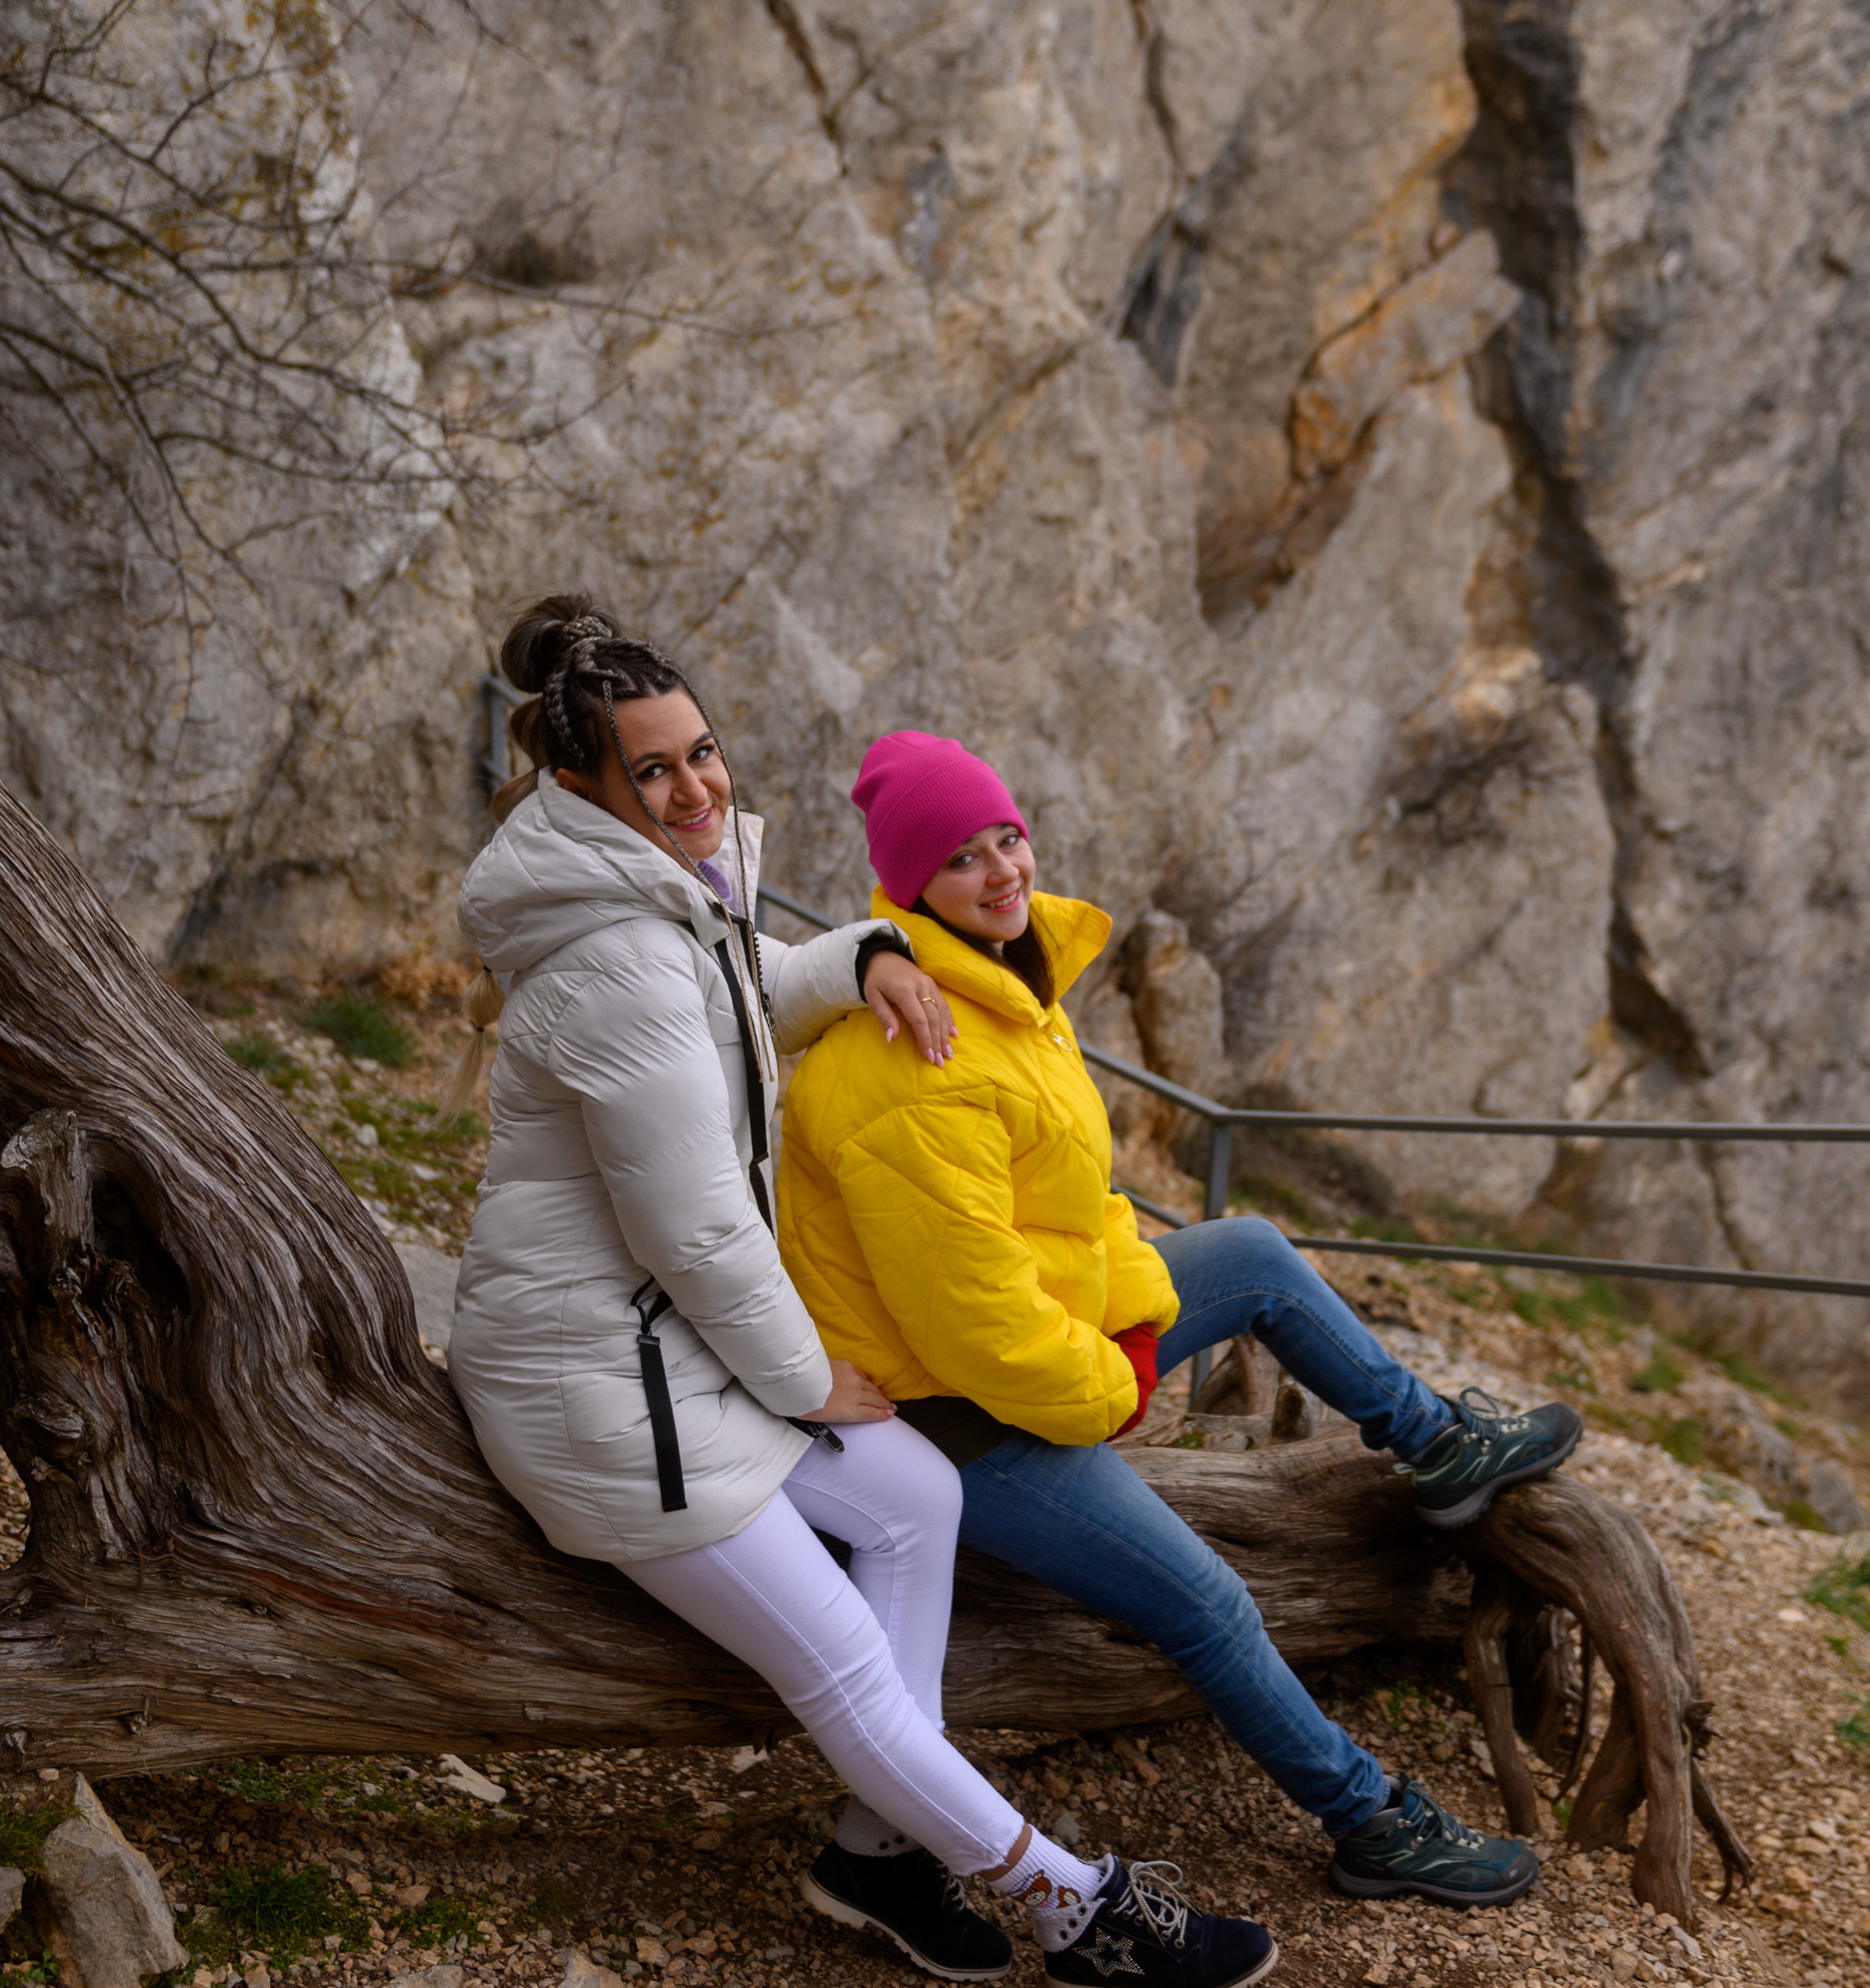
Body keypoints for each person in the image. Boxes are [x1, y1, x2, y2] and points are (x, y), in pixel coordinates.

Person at [443, 606, 1278, 1988]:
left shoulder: (658, 901)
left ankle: (873, 1852)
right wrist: (800, 1379)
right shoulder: (612, 960)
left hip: (672, 1356)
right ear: (583, 786)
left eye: (702, 751)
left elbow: (748, 990)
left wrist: (866, 956)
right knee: (838, 1666)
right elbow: (698, 1230)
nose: (697, 787)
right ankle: (1074, 1907)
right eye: (653, 771)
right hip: (606, 1398)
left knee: (918, 1498)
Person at [777, 730, 1587, 1910]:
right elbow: (978, 1332)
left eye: (1006, 834)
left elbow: (1074, 1207)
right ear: (912, 890)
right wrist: (1116, 1386)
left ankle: (1437, 1448)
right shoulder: (917, 1061)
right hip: (947, 1414)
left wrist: (1139, 1306)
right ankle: (1368, 1821)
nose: (1002, 868)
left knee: (1247, 1252)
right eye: (961, 858)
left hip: (1021, 1351)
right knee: (1204, 1598)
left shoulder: (1003, 990)